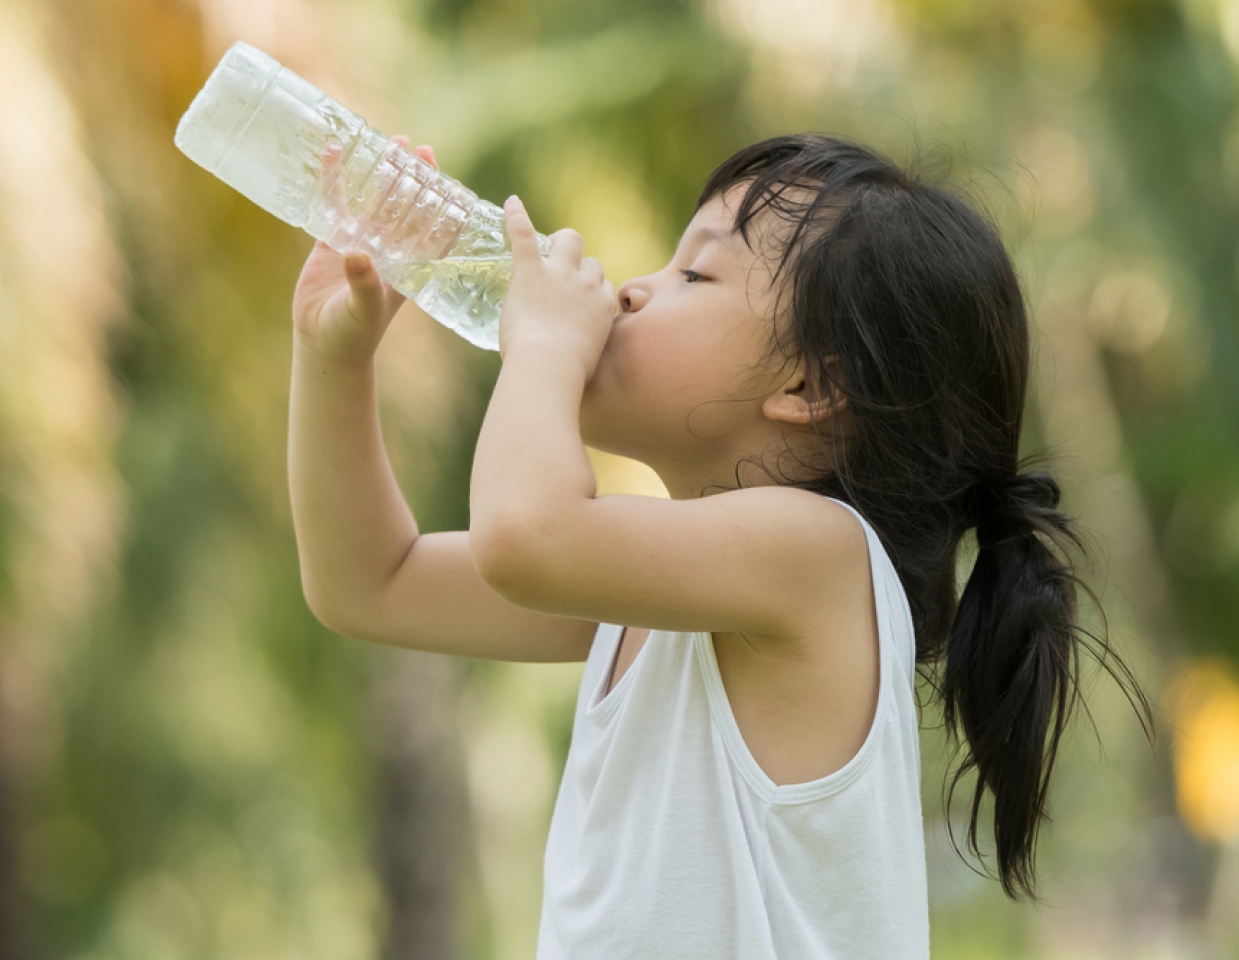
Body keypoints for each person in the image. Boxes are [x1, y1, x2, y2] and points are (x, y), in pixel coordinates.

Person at [287, 132, 1150, 958]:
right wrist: (333, 359)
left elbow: (525, 538)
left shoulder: (817, 556)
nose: (629, 290)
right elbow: (371, 583)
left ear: (811, 384)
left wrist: (544, 346)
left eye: (694, 272)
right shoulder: (653, 595)